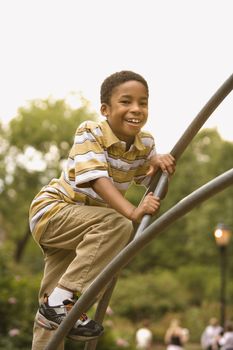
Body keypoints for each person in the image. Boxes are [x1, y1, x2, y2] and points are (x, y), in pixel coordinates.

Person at [29, 70, 176, 349]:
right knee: (118, 224)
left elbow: (153, 189)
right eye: (126, 102)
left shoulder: (145, 144)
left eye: (143, 103)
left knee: (51, 312)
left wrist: (161, 169)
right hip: (55, 212)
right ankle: (65, 299)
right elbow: (97, 180)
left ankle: (58, 305)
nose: (136, 109)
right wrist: (132, 212)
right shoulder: (90, 131)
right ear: (105, 109)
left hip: (86, 230)